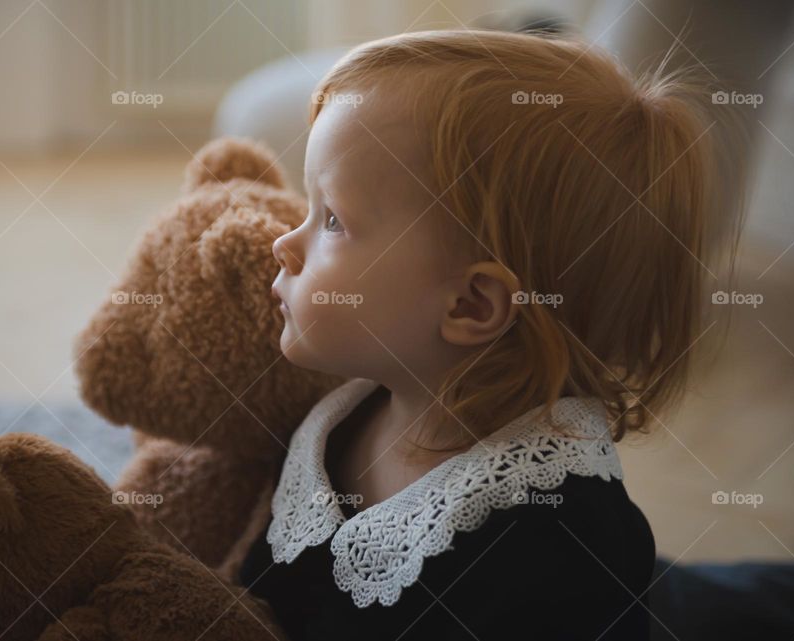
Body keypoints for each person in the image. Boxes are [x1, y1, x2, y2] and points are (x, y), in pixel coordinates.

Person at [240, 29, 744, 640]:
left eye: (334, 220)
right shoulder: (338, 416)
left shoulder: (560, 541)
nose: (282, 243)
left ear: (474, 305)